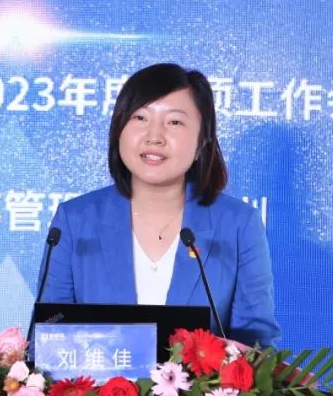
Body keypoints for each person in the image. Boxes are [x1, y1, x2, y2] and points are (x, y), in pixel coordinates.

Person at [41, 63, 280, 347]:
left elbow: (257, 347)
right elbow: (48, 336)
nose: (154, 136)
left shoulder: (238, 224)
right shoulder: (75, 220)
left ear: (202, 140)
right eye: (140, 117)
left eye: (174, 122)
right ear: (119, 129)